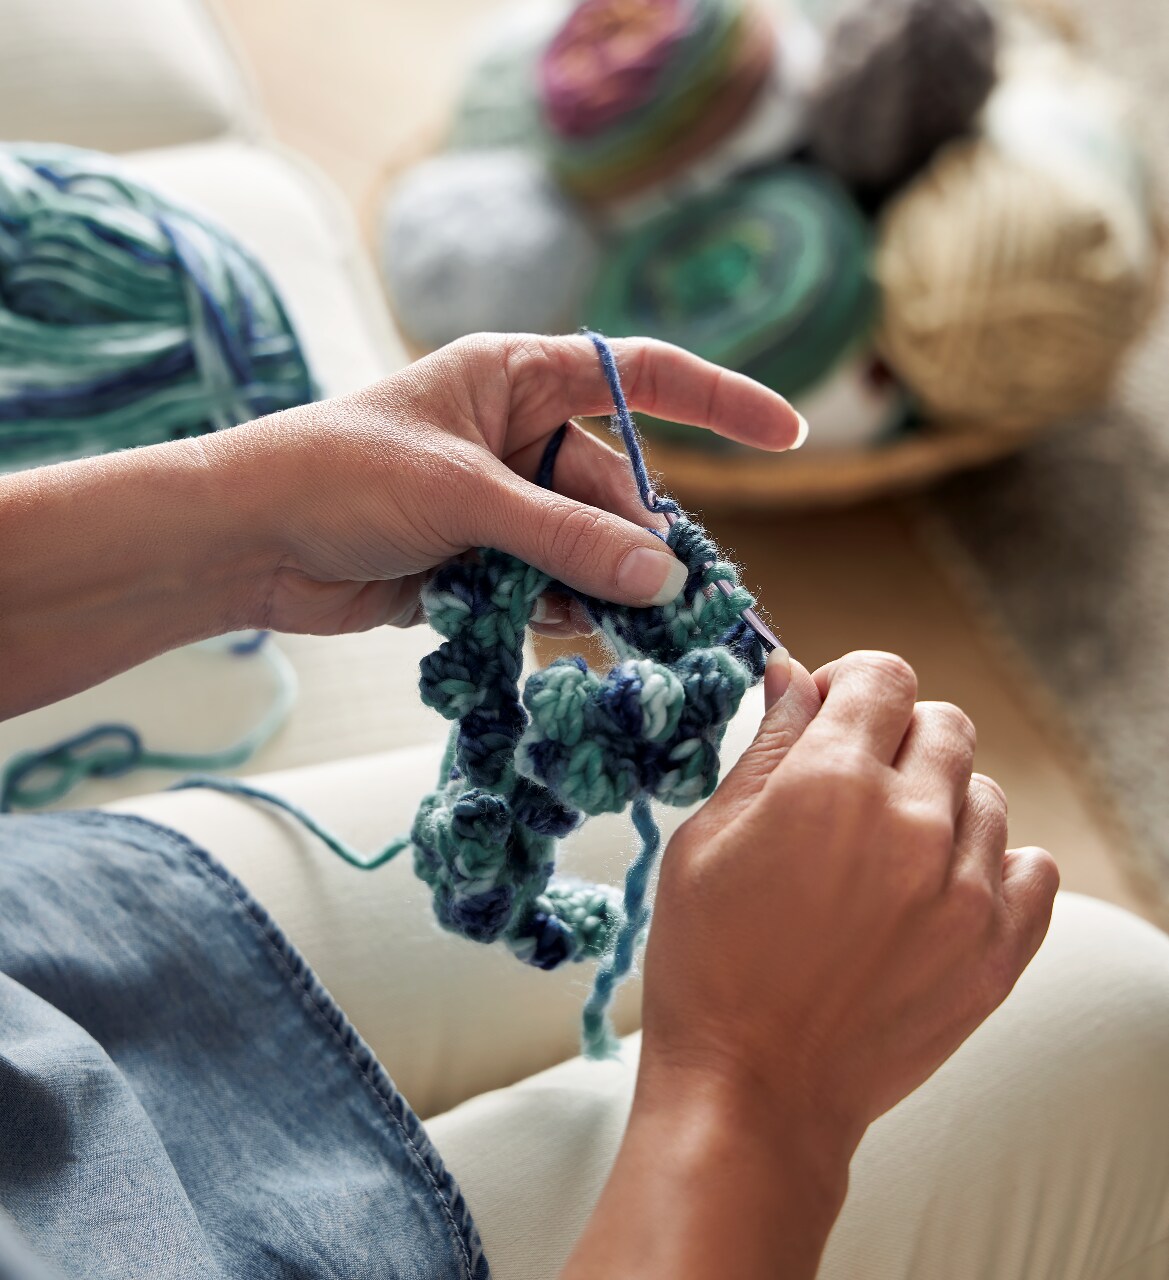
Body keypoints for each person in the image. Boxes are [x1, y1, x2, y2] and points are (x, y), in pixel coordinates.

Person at [2, 333, 1168, 1279]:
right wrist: (757, 1093)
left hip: (41, 963)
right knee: (1124, 1022)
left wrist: (240, 517)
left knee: (793, 826)